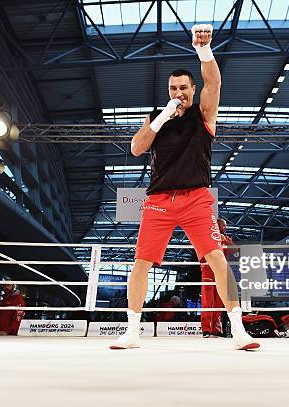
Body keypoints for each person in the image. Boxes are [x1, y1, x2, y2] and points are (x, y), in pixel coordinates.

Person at [110, 24, 258, 350]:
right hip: (159, 201)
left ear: (193, 89)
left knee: (217, 260)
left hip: (196, 199)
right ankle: (133, 331)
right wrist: (162, 117)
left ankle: (238, 330)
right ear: (169, 91)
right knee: (140, 264)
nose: (178, 93)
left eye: (183, 88)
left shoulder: (204, 113)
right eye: (173, 88)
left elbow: (215, 82)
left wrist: (203, 50)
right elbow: (136, 148)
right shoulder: (156, 117)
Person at [200, 218, 231, 338]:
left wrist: (226, 241)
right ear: (217, 225)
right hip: (208, 272)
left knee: (219, 302)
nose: (225, 227)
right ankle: (206, 329)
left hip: (221, 273)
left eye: (225, 225)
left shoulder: (227, 239)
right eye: (223, 225)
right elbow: (201, 252)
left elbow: (234, 250)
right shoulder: (207, 237)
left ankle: (216, 329)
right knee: (207, 302)